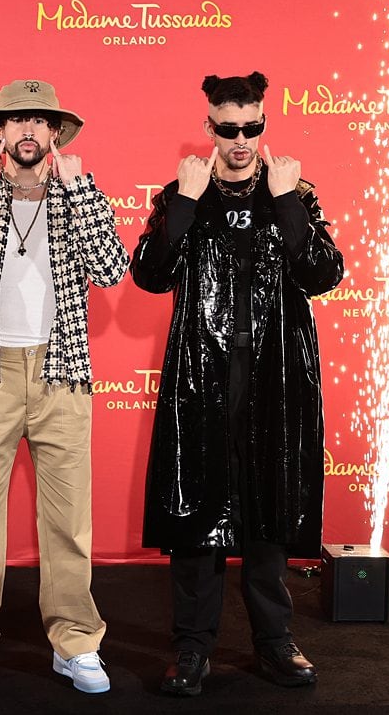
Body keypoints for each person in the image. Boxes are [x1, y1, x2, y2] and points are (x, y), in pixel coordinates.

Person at [131, 71, 345, 696]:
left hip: (276, 378)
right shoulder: (182, 193)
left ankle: (275, 643)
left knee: (269, 511)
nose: (241, 139)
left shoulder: (295, 194)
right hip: (202, 378)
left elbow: (323, 274)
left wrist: (284, 200)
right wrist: (188, 204)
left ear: (264, 125)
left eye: (252, 126)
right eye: (228, 129)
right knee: (197, 509)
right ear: (210, 129)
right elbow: (149, 275)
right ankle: (192, 648)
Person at [0, 79, 129, 697]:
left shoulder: (79, 195)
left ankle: (75, 643)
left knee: (69, 520)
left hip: (62, 369)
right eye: (16, 121)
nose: (27, 132)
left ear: (56, 135)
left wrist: (77, 189)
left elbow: (112, 266)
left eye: (40, 122)